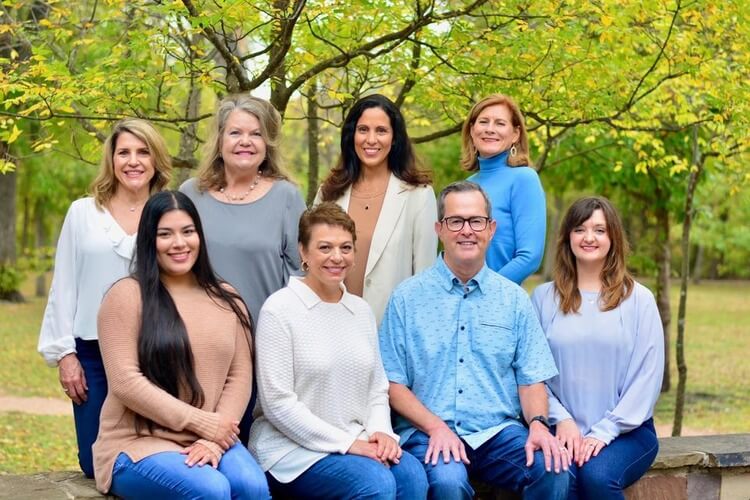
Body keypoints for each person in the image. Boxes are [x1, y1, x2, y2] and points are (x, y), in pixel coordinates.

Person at [379, 181, 570, 500]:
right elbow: (393, 383)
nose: (466, 230)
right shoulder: (407, 298)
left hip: (498, 434)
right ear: (439, 229)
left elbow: (531, 378)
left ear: (491, 228)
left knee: (552, 468)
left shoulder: (514, 300)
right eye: (456, 221)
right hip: (431, 431)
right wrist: (435, 427)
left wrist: (537, 424)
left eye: (476, 221)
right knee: (448, 483)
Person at [92, 191, 270, 499]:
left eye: (188, 231)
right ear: (150, 240)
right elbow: (125, 382)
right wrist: (203, 423)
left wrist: (214, 438)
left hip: (210, 436)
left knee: (251, 488)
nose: (179, 243)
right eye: (165, 234)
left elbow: (239, 376)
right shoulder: (125, 296)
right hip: (137, 442)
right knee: (211, 490)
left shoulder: (228, 298)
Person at [249, 202, 429, 500]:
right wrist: (348, 444)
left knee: (412, 476)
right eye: (325, 247)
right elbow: (278, 404)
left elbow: (376, 388)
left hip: (357, 439)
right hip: (291, 450)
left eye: (346, 248)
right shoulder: (279, 310)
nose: (337, 257)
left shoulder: (360, 310)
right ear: (303, 253)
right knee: (376, 484)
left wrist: (382, 432)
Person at [37, 118, 171, 478]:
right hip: (92, 353)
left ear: (156, 159)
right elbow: (63, 285)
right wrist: (65, 354)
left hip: (153, 352)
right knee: (94, 463)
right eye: (123, 152)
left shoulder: (168, 213)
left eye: (143, 152)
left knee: (156, 452)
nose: (133, 161)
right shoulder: (83, 212)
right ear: (111, 160)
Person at [180, 93, 306, 443]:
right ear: (220, 140)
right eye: (235, 133)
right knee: (198, 443)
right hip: (197, 344)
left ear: (267, 143)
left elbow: (302, 276)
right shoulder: (191, 194)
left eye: (255, 134)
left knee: (250, 445)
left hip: (263, 346)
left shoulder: (286, 197)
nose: (245, 142)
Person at [531, 196, 664, 499]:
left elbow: (647, 376)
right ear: (567, 237)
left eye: (599, 230)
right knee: (559, 474)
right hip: (559, 426)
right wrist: (562, 420)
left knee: (596, 475)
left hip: (627, 431)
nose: (589, 237)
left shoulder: (640, 300)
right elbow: (532, 373)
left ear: (613, 238)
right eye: (580, 229)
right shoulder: (542, 299)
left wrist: (605, 431)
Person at [316, 93, 437, 323]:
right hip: (330, 327)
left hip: (391, 332)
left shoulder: (419, 195)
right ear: (352, 136)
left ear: (395, 138)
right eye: (363, 130)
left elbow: (425, 279)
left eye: (381, 130)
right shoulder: (328, 192)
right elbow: (312, 263)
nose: (371, 139)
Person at [461, 93, 546, 284]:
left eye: (500, 123)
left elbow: (529, 257)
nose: (490, 129)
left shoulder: (524, 179)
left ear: (515, 134)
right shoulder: (465, 186)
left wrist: (483, 290)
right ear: (472, 130)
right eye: (483, 122)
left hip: (499, 300)